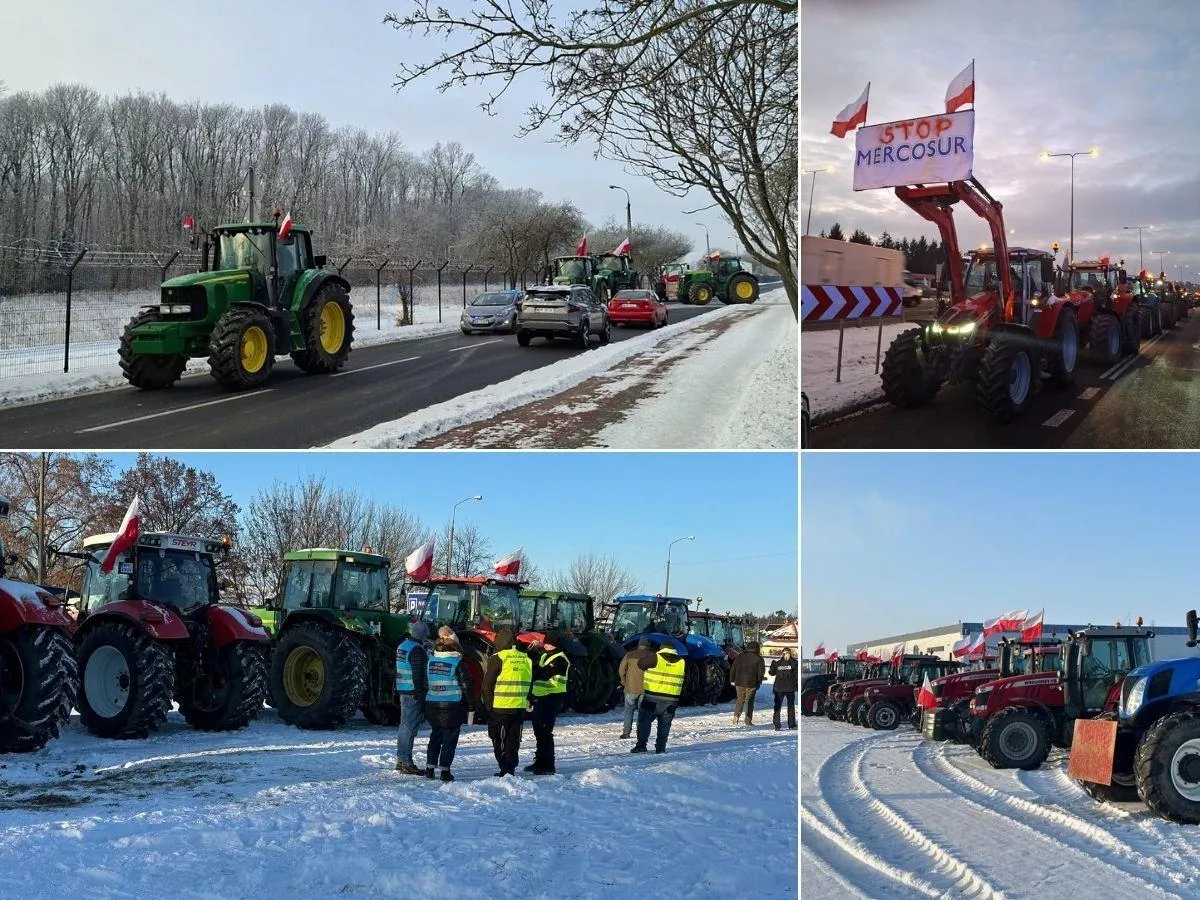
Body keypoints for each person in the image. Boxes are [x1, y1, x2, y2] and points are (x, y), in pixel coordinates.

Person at [424, 626, 479, 782]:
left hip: (433, 704)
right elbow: (467, 687)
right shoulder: (457, 663)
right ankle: (445, 771)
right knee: (449, 739)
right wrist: (471, 707)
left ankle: (429, 768)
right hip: (452, 707)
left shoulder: (431, 661)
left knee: (435, 736)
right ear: (456, 645)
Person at [483, 627, 532, 777]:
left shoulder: (497, 658)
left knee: (498, 739)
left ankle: (504, 767)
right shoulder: (526, 658)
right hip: (518, 707)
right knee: (513, 740)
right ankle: (510, 768)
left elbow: (486, 685)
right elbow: (529, 683)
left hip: (500, 707)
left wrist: (489, 705)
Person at [525, 637, 570, 775]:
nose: (547, 645)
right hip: (540, 697)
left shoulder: (560, 659)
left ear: (556, 644)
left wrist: (529, 671)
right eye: (546, 642)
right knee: (538, 730)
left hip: (552, 697)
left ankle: (549, 765)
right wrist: (532, 650)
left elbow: (543, 674)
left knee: (545, 731)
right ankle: (539, 761)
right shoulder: (545, 655)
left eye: (550, 643)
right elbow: (533, 664)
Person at [633, 640, 686, 754]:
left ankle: (641, 745)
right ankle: (660, 748)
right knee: (664, 725)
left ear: (662, 648)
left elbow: (640, 664)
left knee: (645, 722)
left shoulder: (655, 658)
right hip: (671, 699)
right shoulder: (682, 662)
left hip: (652, 697)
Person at [394, 621, 430, 774]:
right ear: (423, 636)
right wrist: (421, 697)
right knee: (409, 729)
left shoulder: (402, 646)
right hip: (413, 693)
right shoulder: (417, 650)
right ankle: (406, 762)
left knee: (404, 727)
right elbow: (418, 675)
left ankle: (401, 760)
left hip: (403, 689)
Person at [618, 637, 655, 739]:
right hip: (646, 689)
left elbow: (621, 670)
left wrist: (624, 682)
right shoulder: (653, 656)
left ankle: (626, 732)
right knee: (642, 712)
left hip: (630, 688)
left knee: (628, 710)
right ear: (649, 645)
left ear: (639, 644)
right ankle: (640, 732)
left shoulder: (629, 655)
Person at [729, 640, 766, 726]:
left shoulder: (740, 656)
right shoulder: (759, 659)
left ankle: (736, 716)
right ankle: (748, 721)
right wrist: (759, 681)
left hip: (739, 682)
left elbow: (733, 669)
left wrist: (732, 679)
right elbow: (761, 672)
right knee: (749, 702)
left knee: (740, 700)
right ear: (757, 648)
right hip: (751, 683)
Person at [769, 648, 798, 731]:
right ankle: (792, 725)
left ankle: (777, 725)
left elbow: (771, 673)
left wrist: (772, 666)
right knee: (791, 707)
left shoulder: (778, 663)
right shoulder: (794, 663)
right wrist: (797, 686)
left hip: (779, 687)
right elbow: (796, 676)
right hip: (790, 688)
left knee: (777, 706)